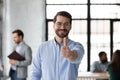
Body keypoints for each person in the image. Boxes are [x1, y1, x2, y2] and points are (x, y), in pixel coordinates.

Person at [31, 11, 84, 80]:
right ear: (54, 25)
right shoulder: (42, 48)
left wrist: (70, 54)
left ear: (70, 26)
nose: (62, 27)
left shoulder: (77, 46)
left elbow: (76, 56)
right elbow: (35, 74)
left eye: (66, 24)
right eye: (59, 23)